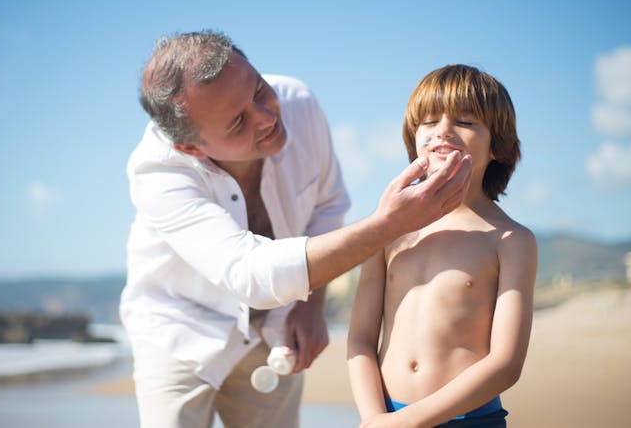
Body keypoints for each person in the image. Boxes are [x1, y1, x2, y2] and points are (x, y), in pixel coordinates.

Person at [120, 30, 472, 428]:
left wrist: (310, 303)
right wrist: (389, 224)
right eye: (238, 122)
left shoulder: (298, 104)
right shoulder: (158, 171)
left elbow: (328, 204)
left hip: (276, 330)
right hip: (181, 332)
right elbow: (248, 273)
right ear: (191, 148)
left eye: (259, 91)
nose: (269, 118)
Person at [347, 64, 538, 428]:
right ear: (413, 136)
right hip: (386, 415)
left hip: (469, 419)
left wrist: (410, 422)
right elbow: (360, 338)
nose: (443, 131)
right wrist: (374, 418)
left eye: (465, 122)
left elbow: (506, 363)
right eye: (429, 121)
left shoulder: (511, 240)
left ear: (498, 144)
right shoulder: (389, 229)